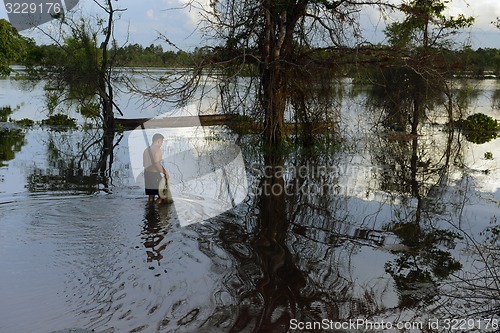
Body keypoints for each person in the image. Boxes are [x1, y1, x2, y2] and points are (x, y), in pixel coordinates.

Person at [143, 133, 169, 204]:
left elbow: (144, 164)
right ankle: (157, 210)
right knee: (162, 195)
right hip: (154, 175)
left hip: (147, 174)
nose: (161, 144)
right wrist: (165, 173)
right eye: (161, 142)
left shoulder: (146, 150)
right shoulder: (157, 150)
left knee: (151, 195)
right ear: (158, 141)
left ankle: (150, 209)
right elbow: (157, 164)